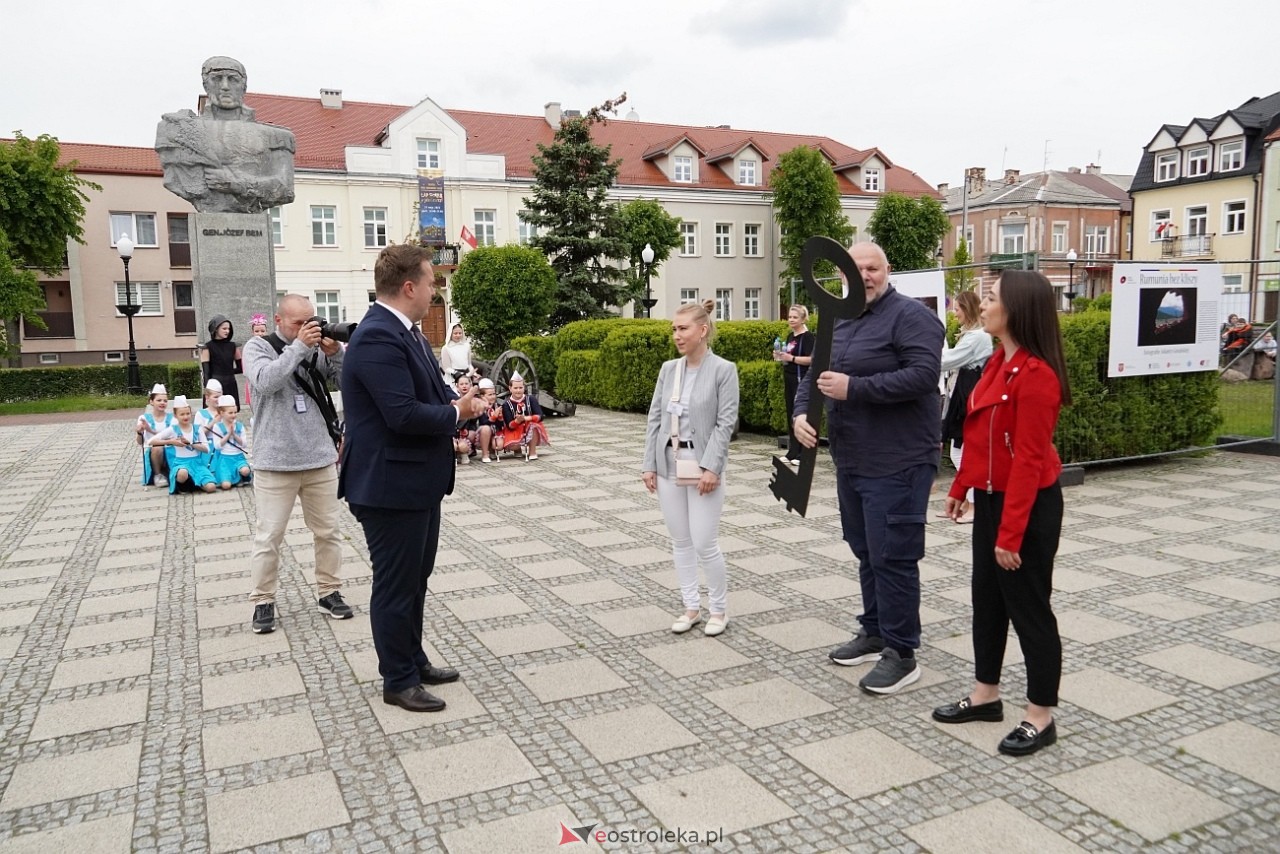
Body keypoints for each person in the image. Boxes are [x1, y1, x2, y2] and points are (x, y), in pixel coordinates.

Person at [339, 244, 486, 713]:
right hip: (388, 486)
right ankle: (397, 679)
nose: (434, 290)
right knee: (396, 584)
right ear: (408, 287)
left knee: (414, 579)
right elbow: (401, 414)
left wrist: (461, 399)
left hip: (415, 483)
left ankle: (413, 658)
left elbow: (433, 390)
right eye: (430, 282)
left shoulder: (410, 333)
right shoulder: (379, 335)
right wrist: (455, 413)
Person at [794, 243, 944, 694]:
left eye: (872, 267)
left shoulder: (912, 317)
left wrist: (854, 388)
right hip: (852, 459)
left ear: (887, 270)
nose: (865, 276)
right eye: (856, 269)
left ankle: (902, 652)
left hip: (899, 460)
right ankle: (875, 629)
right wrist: (802, 414)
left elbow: (923, 374)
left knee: (893, 555)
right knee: (865, 549)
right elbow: (815, 375)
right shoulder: (840, 319)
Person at [932, 270, 1070, 757]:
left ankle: (1040, 715)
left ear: (1017, 310)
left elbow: (1030, 463)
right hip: (991, 498)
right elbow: (978, 433)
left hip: (1027, 508)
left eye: (991, 299)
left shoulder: (1038, 377)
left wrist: (1010, 535)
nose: (982, 305)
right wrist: (962, 484)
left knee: (1029, 608)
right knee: (987, 601)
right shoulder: (995, 363)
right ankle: (986, 694)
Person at [243, 294, 353, 635]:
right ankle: (263, 600)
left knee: (328, 531)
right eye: (298, 323)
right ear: (278, 321)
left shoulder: (315, 348)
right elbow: (265, 381)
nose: (308, 328)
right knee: (269, 536)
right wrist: (300, 348)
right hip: (275, 462)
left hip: (319, 457)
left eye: (312, 321)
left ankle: (329, 591)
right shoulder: (257, 347)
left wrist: (336, 354)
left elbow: (345, 382)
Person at [642, 299, 740, 637]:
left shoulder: (723, 370)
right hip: (668, 464)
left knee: (704, 543)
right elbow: (655, 417)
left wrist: (712, 467)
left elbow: (726, 424)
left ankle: (719, 609)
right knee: (680, 541)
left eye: (682, 329)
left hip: (702, 466)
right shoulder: (670, 369)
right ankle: (690, 607)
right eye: (674, 329)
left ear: (702, 330)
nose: (676, 335)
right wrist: (648, 464)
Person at [155, 56, 296, 214]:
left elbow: (285, 189)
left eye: (232, 79)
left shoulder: (277, 137)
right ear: (205, 84)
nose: (224, 86)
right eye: (216, 78)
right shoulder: (178, 131)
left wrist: (235, 183)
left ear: (244, 85)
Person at [939, 291, 993, 525]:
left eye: (958, 308)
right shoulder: (973, 335)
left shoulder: (976, 337)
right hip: (963, 396)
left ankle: (973, 505)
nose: (955, 312)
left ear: (967, 309)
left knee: (964, 454)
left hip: (967, 398)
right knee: (959, 451)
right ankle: (964, 504)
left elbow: (948, 360)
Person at [147, 396, 217, 494]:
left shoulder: (197, 429)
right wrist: (171, 441)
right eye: (182, 414)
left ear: (191, 414)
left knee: (211, 488)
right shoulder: (173, 429)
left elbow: (206, 449)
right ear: (175, 415)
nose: (185, 417)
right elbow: (151, 441)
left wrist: (191, 444)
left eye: (187, 414)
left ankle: (194, 482)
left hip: (197, 463)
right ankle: (183, 485)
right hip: (180, 463)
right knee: (182, 473)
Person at [773, 305, 815, 464]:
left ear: (803, 319)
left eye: (795, 317)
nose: (791, 320)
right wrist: (780, 356)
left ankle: (803, 454)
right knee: (791, 414)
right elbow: (788, 354)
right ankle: (793, 451)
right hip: (789, 377)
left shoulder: (808, 337)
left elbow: (812, 359)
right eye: (790, 317)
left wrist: (792, 359)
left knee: (801, 414)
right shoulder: (791, 336)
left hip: (801, 379)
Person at [499, 374, 550, 461]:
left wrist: (526, 418)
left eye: (520, 388)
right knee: (514, 446)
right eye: (515, 388)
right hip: (515, 430)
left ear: (524, 388)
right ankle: (517, 449)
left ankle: (532, 451)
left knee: (533, 425)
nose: (518, 390)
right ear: (510, 388)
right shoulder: (506, 404)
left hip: (529, 426)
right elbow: (509, 425)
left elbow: (540, 416)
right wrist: (517, 421)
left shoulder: (531, 399)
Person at [208, 395, 252, 489]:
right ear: (222, 413)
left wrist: (234, 435)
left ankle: (241, 477)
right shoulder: (217, 427)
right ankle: (230, 478)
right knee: (226, 486)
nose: (233, 415)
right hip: (225, 459)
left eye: (235, 412)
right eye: (230, 413)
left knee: (245, 471)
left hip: (238, 457)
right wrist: (228, 435)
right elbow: (217, 446)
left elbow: (244, 444)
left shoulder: (239, 426)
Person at [137, 384, 173, 487]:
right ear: (151, 402)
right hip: (153, 451)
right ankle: (158, 475)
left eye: (165, 401)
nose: (162, 403)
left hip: (170, 449)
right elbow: (140, 442)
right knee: (157, 448)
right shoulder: (143, 418)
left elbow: (173, 436)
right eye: (159, 400)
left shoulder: (172, 418)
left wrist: (150, 430)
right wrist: (139, 432)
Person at [201, 316, 241, 407]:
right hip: (214, 386)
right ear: (215, 329)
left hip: (230, 384)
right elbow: (206, 373)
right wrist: (208, 391)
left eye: (228, 329)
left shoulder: (233, 346)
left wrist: (228, 371)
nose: (227, 331)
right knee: (213, 412)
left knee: (230, 411)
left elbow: (241, 368)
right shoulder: (207, 347)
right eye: (224, 328)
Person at [476, 378, 506, 463]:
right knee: (486, 428)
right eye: (490, 395)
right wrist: (493, 417)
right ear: (482, 396)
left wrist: (500, 418)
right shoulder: (480, 406)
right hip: (481, 432)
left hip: (495, 432)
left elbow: (500, 426)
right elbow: (483, 422)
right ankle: (485, 454)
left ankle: (492, 449)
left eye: (494, 394)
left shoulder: (497, 406)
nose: (493, 396)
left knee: (499, 445)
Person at [439, 323, 476, 390]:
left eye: (460, 333)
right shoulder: (446, 348)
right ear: (451, 334)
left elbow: (469, 364)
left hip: (466, 378)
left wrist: (473, 372)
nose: (458, 335)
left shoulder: (466, 346)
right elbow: (446, 367)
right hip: (452, 378)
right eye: (455, 333)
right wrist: (457, 374)